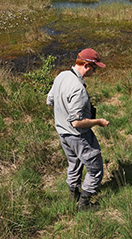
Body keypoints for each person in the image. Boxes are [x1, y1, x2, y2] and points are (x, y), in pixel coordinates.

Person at [46, 48, 109, 210]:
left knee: (74, 164)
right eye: (94, 69)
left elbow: (50, 100)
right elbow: (76, 122)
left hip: (62, 133)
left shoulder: (61, 75)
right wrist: (98, 122)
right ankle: (84, 205)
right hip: (78, 135)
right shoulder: (78, 89)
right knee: (95, 168)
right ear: (87, 65)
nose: (94, 73)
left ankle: (73, 195)